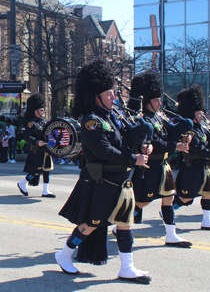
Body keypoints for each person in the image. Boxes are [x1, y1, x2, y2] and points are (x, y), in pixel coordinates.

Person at [56, 58, 151, 284]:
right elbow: (104, 150)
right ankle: (64, 254)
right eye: (109, 94)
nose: (114, 98)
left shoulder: (113, 117)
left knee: (124, 223)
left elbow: (125, 139)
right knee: (91, 223)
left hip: (121, 179)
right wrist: (133, 158)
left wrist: (142, 143)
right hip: (102, 181)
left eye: (114, 93)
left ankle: (127, 267)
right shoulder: (91, 121)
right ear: (95, 96)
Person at [126, 71, 192, 248]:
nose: (159, 103)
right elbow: (154, 141)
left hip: (163, 165)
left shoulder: (159, 116)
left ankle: (171, 234)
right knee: (142, 202)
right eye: (156, 100)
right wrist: (174, 147)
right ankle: (122, 225)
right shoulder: (142, 118)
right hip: (150, 165)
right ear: (146, 101)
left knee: (168, 197)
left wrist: (182, 134)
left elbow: (168, 134)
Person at [174, 85, 210, 231]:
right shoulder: (190, 130)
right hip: (193, 167)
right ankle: (168, 210)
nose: (202, 114)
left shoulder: (201, 128)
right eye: (199, 112)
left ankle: (207, 220)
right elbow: (197, 149)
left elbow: (207, 142)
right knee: (186, 197)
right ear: (192, 113)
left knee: (208, 193)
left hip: (203, 167)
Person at [16, 93, 55, 198]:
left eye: (43, 110)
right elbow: (26, 136)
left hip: (46, 150)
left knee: (47, 170)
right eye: (41, 110)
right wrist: (37, 142)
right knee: (36, 171)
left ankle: (45, 190)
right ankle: (22, 183)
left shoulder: (45, 122)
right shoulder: (31, 123)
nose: (43, 112)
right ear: (35, 111)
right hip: (36, 150)